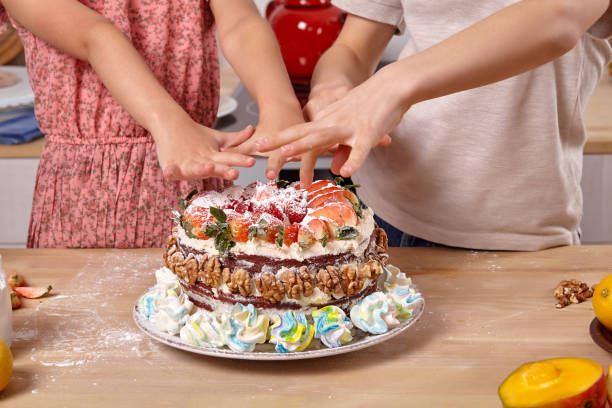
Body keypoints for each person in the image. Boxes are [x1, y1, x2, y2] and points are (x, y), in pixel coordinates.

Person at [254, 0, 612, 250]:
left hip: (521, 235)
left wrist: (389, 87)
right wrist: (334, 91)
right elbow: (353, 48)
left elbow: (560, 16)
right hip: (383, 218)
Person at [0, 0, 303, 248]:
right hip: (82, 196)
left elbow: (241, 20)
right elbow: (95, 35)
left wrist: (280, 104)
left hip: (192, 172)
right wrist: (169, 124)